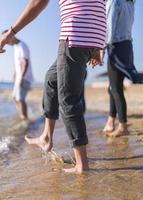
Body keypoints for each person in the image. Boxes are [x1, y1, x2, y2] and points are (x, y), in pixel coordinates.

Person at [0, 0, 106, 173]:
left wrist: (9, 33)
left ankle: (81, 165)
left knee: (68, 99)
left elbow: (38, 2)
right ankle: (46, 137)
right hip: (91, 34)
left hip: (75, 34)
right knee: (51, 79)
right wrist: (98, 43)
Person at [103, 0, 143, 137]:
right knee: (114, 87)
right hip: (127, 45)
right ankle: (111, 121)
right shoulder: (130, 2)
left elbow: (110, 24)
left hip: (115, 45)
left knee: (115, 88)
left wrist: (103, 47)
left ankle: (122, 126)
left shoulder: (114, 1)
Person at [2, 31, 33, 120]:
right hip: (19, 77)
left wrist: (22, 77)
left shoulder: (22, 45)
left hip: (25, 77)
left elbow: (26, 62)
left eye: (6, 40)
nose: (6, 43)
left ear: (11, 36)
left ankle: (25, 120)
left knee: (20, 99)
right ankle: (23, 116)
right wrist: (15, 73)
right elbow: (19, 63)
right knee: (15, 97)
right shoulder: (16, 47)